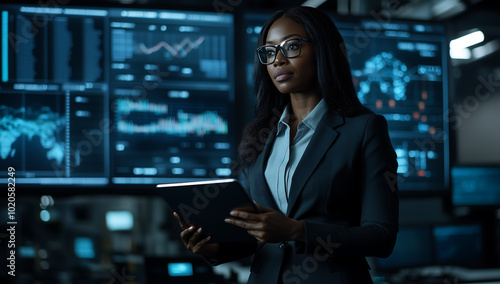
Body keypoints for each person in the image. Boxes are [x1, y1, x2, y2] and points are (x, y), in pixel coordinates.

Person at [174, 6, 399, 284]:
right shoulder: (261, 135)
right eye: (269, 52)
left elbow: (381, 237)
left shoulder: (364, 129)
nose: (278, 60)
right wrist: (213, 248)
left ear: (324, 50)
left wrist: (298, 231)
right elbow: (262, 237)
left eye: (291, 46)